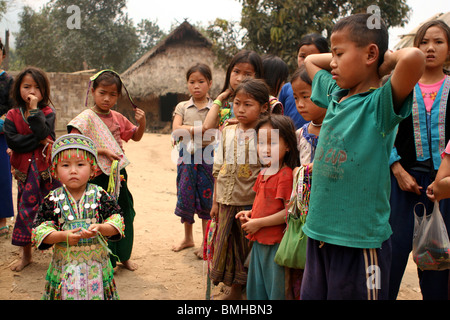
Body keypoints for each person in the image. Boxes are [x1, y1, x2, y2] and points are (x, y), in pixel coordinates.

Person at [300, 13, 425, 300]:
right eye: (332, 54)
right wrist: (339, 51)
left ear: (371, 54)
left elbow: (414, 58)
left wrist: (386, 61)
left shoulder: (379, 105)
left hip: (359, 241)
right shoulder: (334, 94)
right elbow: (310, 62)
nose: (331, 62)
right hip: (319, 233)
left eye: (339, 54)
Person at [388, 20, 450, 300]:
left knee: (438, 257)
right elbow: (383, 129)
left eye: (438, 42)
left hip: (444, 187)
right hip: (403, 184)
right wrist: (397, 168)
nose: (430, 48)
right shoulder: (402, 85)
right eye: (424, 42)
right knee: (392, 251)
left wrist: (443, 180)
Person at [68, 69, 146, 271]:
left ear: (118, 96)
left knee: (124, 212)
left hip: (118, 175)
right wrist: (101, 150)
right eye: (102, 92)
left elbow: (135, 136)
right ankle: (104, 259)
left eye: (112, 94)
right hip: (95, 177)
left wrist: (142, 122)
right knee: (99, 216)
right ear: (93, 91)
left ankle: (124, 256)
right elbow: (74, 147)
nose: (107, 98)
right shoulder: (85, 118)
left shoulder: (118, 117)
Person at [32, 133, 124, 300]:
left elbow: (117, 219)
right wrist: (61, 235)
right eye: (65, 165)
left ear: (93, 169)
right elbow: (39, 230)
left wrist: (101, 228)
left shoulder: (99, 194)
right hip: (64, 269)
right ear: (55, 170)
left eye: (80, 164)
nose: (73, 171)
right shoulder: (52, 199)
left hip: (97, 268)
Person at [210, 78, 269, 299]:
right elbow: (218, 168)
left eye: (248, 104)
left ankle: (248, 291)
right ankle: (234, 290)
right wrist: (215, 202)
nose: (240, 109)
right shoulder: (227, 132)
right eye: (237, 103)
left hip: (249, 204)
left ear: (263, 107)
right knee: (227, 246)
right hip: (225, 201)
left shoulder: (265, 135)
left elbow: (267, 173)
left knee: (247, 250)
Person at [4, 67, 61, 271]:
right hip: (25, 172)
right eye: (27, 86)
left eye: (37, 87)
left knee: (54, 209)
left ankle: (60, 252)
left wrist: (35, 110)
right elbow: (14, 142)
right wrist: (38, 140)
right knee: (25, 211)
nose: (32, 91)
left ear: (44, 91)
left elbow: (44, 131)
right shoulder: (11, 115)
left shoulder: (47, 112)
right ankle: (26, 255)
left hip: (47, 171)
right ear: (18, 88)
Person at [236, 114, 298, 300]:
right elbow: (262, 203)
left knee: (275, 291)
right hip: (258, 242)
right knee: (256, 289)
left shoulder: (285, 175)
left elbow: (289, 212)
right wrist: (250, 213)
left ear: (287, 145)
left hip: (275, 244)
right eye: (261, 143)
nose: (265, 149)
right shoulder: (264, 172)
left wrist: (259, 223)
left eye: (272, 143)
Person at [283, 65, 326, 299]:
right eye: (296, 97)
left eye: (306, 97)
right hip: (302, 211)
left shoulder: (336, 130)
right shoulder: (300, 134)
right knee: (300, 258)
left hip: (326, 210)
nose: (300, 104)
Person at [171, 63, 214, 258]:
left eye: (201, 81)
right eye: (192, 82)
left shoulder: (215, 108)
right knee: (186, 194)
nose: (196, 86)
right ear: (187, 84)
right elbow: (176, 130)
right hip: (186, 156)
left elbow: (215, 132)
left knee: (207, 198)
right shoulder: (182, 106)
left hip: (209, 156)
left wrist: (188, 128)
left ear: (210, 83)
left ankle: (206, 242)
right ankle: (188, 238)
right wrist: (200, 129)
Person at [202, 50, 264, 132]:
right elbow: (207, 126)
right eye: (236, 72)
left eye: (247, 74)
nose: (239, 79)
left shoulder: (264, 101)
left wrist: (244, 123)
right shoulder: (225, 101)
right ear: (229, 72)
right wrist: (219, 99)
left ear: (257, 76)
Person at [279, 33, 329, 130]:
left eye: (313, 57)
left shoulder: (329, 86)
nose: (306, 61)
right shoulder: (287, 88)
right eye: (302, 56)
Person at [0, 39, 14, 238]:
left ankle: (1, 220)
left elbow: (13, 108)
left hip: (2, 137)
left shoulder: (9, 81)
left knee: (2, 177)